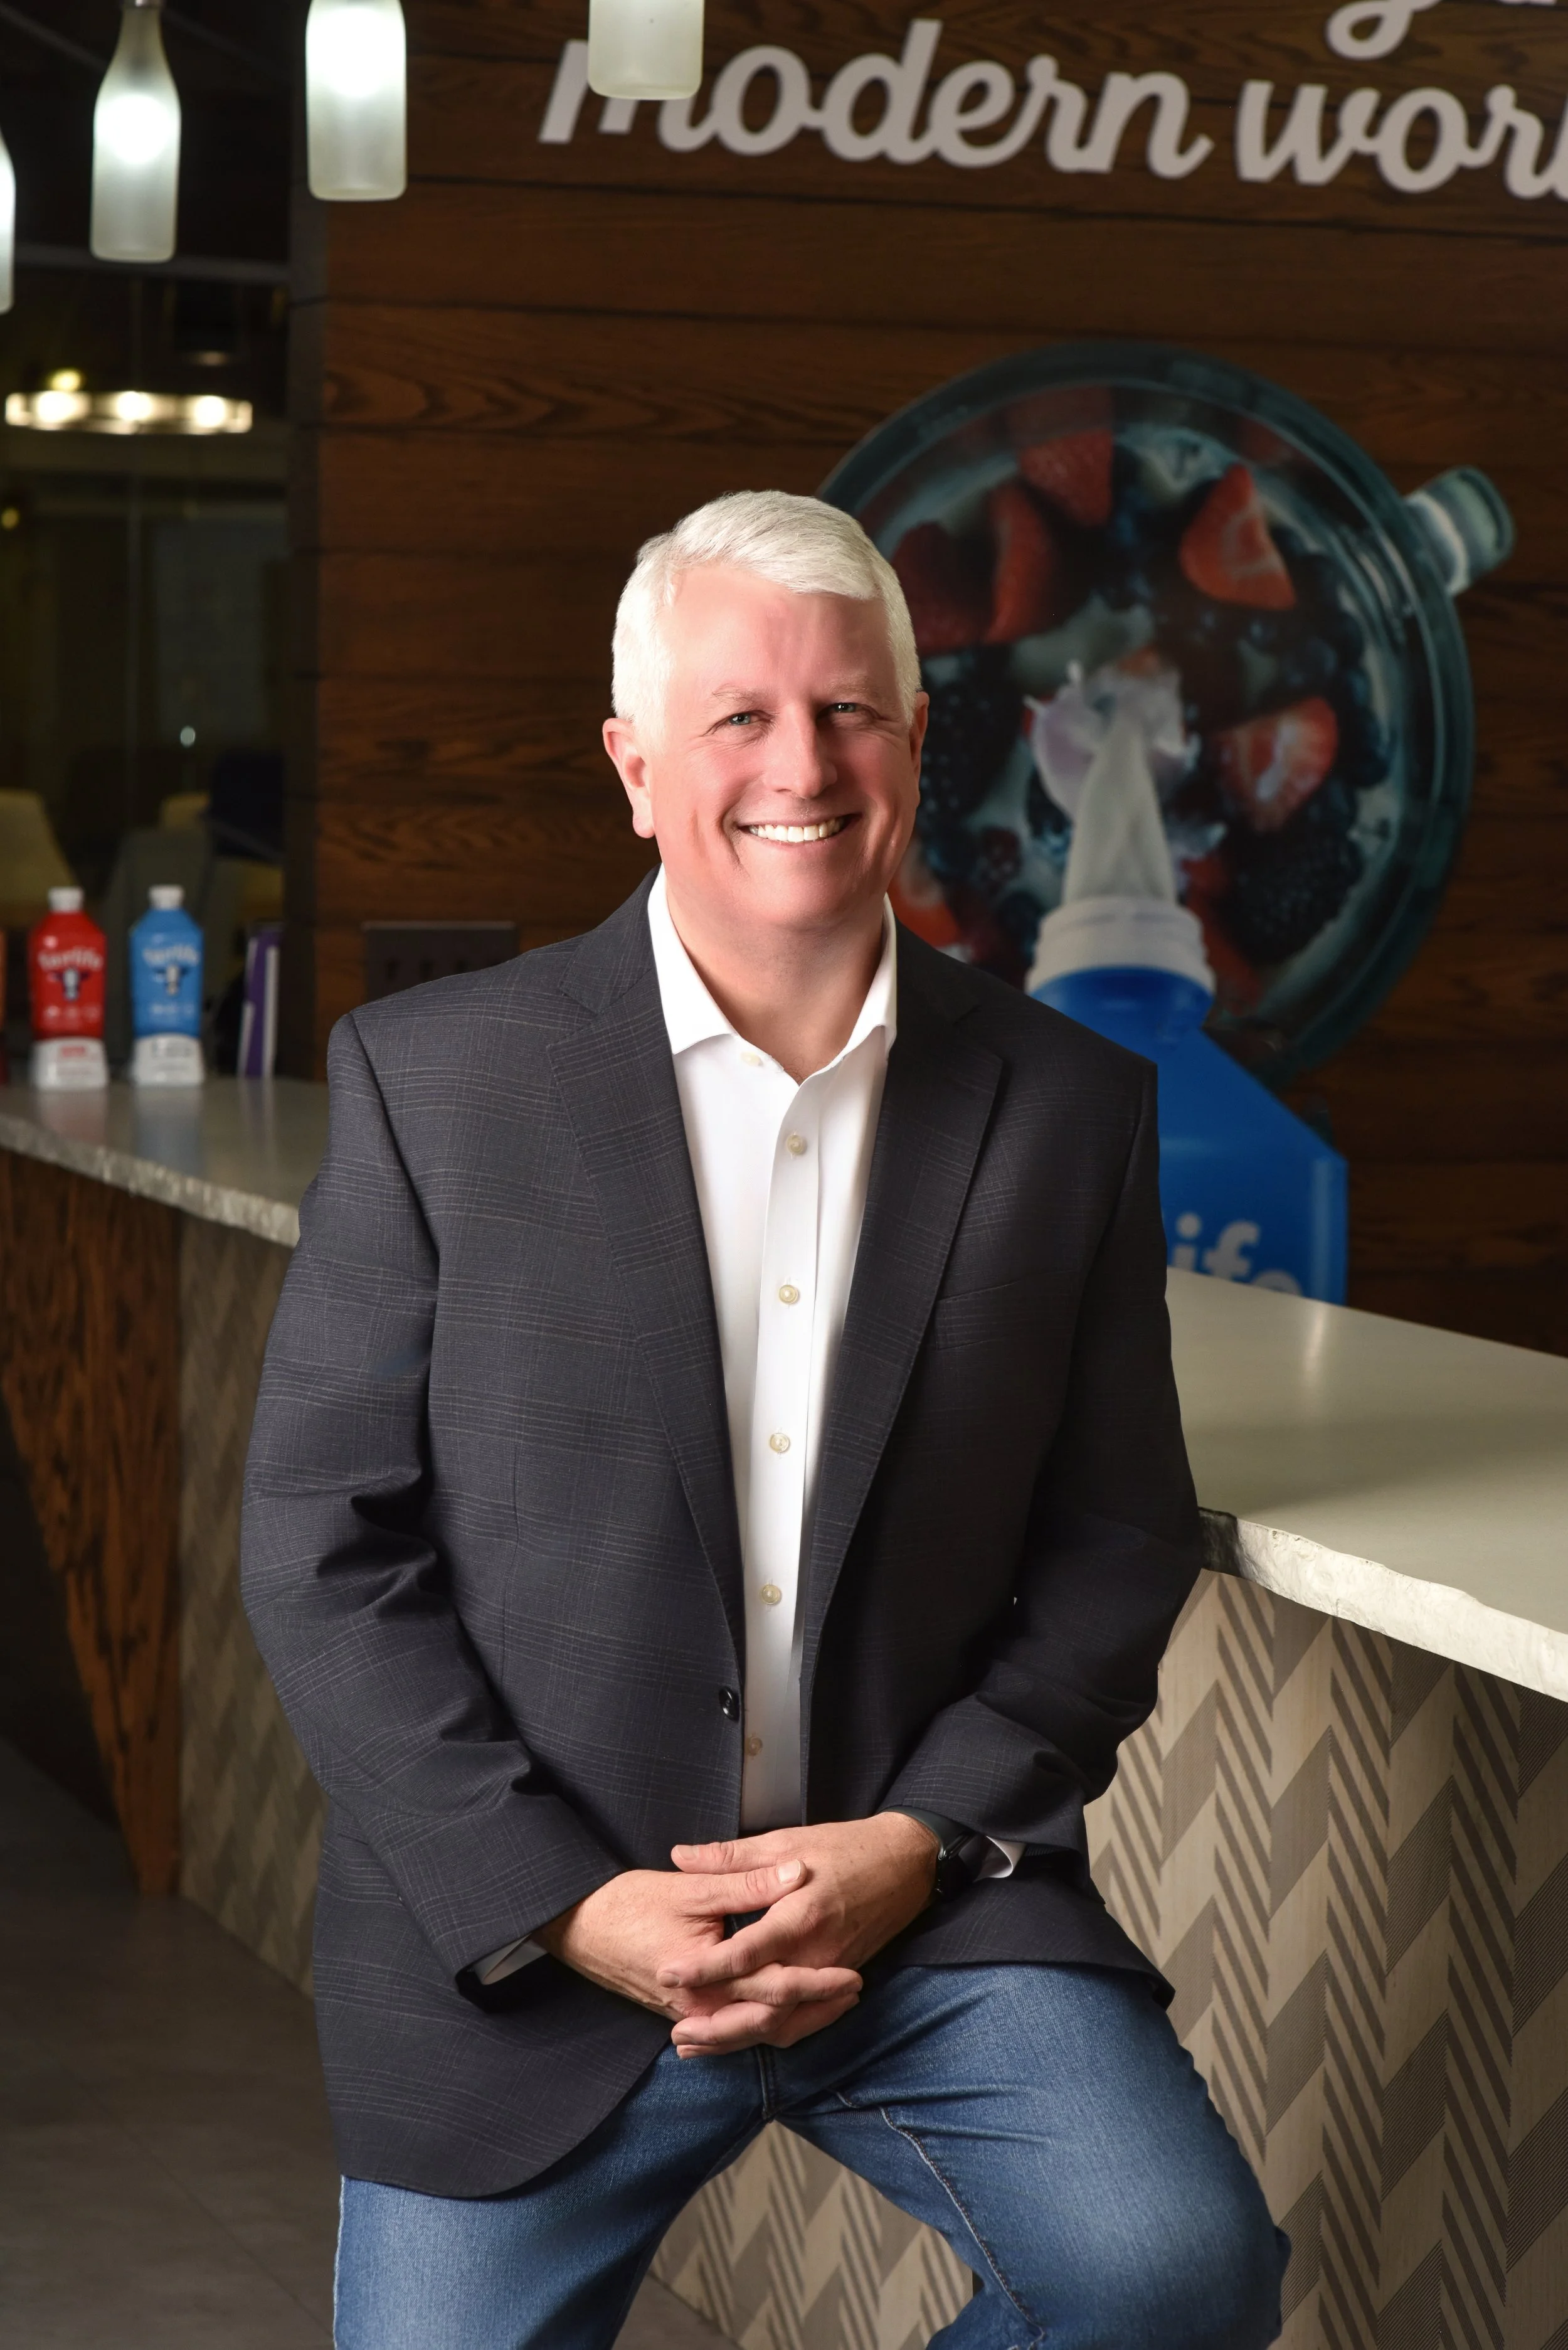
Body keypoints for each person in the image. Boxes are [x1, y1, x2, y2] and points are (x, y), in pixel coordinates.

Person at [242, 491, 1288, 2350]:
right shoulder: (438, 1081)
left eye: (848, 712)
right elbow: (325, 1548)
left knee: (1170, 2265)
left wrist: (918, 1842)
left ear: (910, 741)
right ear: (636, 768)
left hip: (925, 1916)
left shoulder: (1069, 1107)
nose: (797, 764)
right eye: (737, 716)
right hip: (537, 1925)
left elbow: (1116, 1535)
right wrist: (569, 1904)